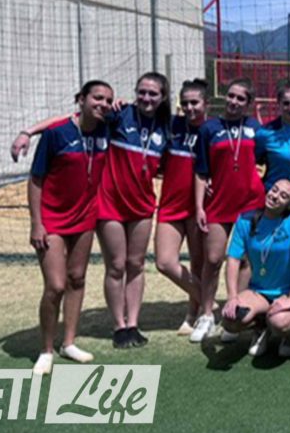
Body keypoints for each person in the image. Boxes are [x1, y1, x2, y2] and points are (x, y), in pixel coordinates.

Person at [12, 72, 173, 348]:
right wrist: (28, 131)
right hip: (109, 203)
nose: (146, 98)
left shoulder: (166, 126)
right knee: (116, 265)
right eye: (142, 92)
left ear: (163, 97)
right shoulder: (119, 114)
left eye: (153, 93)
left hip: (143, 205)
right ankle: (119, 326)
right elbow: (69, 119)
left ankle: (133, 324)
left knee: (136, 265)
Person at [27, 80, 113, 374]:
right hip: (52, 220)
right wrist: (36, 223)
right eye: (97, 98)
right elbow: (36, 179)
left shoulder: (105, 129)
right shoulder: (56, 133)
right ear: (81, 99)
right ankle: (46, 350)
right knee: (55, 285)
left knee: (77, 278)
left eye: (108, 100)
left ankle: (69, 343)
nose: (103, 104)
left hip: (85, 218)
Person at [191, 78, 266, 342]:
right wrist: (199, 206)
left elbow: (267, 158)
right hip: (219, 203)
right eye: (231, 96)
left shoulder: (256, 128)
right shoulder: (209, 128)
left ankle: (237, 314)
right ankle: (206, 314)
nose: (234, 102)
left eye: (240, 98)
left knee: (245, 260)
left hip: (251, 203)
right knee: (213, 260)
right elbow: (201, 172)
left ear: (249, 103)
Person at [219, 178, 290, 357]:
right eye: (274, 190)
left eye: (284, 196)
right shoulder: (245, 220)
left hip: (287, 290)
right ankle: (261, 327)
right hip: (259, 291)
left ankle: (289, 334)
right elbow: (233, 260)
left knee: (280, 323)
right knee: (230, 320)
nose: (275, 196)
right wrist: (232, 297)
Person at [155, 79, 208, 336]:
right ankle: (209, 304)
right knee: (164, 262)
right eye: (185, 103)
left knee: (198, 263)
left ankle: (193, 314)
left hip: (200, 207)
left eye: (194, 102)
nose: (189, 108)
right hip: (170, 204)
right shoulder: (172, 125)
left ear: (206, 104)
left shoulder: (212, 130)